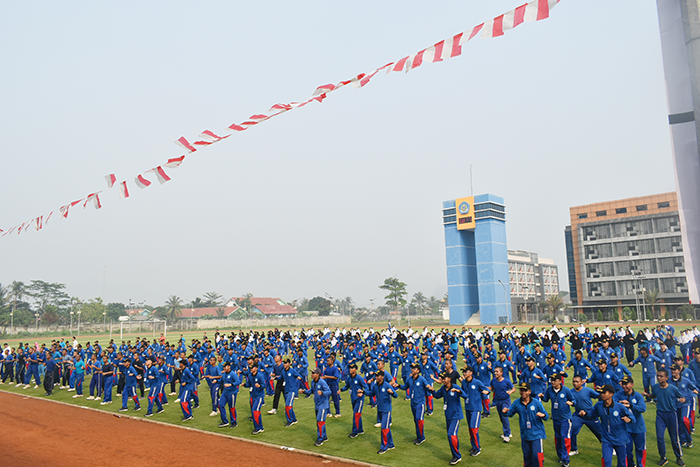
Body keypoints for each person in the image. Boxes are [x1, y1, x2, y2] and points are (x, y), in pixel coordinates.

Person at [583, 384, 636, 467]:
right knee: (606, 461)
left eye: (604, 393)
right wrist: (585, 414)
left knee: (622, 463)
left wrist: (629, 419)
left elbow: (633, 418)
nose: (602, 395)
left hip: (620, 439)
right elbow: (592, 415)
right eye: (601, 393)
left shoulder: (619, 407)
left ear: (611, 394)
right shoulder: (599, 406)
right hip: (606, 439)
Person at [503, 382, 550, 467]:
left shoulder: (536, 403)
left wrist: (543, 415)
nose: (523, 392)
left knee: (537, 457)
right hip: (525, 435)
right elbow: (510, 413)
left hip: (537, 435)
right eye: (521, 390)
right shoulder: (517, 403)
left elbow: (546, 416)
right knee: (527, 457)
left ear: (529, 392)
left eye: (525, 390)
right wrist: (505, 412)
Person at [645, 369, 685, 466]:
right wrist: (647, 395)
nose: (659, 378)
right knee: (659, 437)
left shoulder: (673, 388)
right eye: (658, 376)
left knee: (674, 438)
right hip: (660, 415)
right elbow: (654, 395)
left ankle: (679, 457)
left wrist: (682, 399)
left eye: (661, 376)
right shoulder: (655, 387)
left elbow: (681, 396)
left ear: (667, 378)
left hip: (671, 414)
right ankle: (663, 457)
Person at [432, 371, 467, 465]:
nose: (443, 380)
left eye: (444, 378)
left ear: (449, 379)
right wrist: (431, 390)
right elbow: (437, 396)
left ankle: (457, 456)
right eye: (442, 378)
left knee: (451, 434)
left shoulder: (456, 387)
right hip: (448, 415)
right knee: (451, 436)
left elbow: (465, 396)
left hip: (456, 415)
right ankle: (455, 455)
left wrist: (458, 391)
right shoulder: (443, 388)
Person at [542, 374, 575, 467]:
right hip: (555, 419)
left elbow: (573, 400)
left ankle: (566, 460)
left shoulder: (566, 390)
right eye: (551, 380)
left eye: (555, 380)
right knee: (558, 438)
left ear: (560, 381)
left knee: (565, 438)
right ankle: (560, 456)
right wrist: (541, 396)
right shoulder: (549, 389)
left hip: (565, 419)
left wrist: (571, 403)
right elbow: (546, 399)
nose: (552, 382)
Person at [613, 376, 647, 467]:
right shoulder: (619, 394)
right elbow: (612, 403)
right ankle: (631, 464)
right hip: (626, 428)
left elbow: (643, 408)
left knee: (640, 449)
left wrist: (630, 405)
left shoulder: (638, 396)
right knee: (627, 449)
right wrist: (620, 403)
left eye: (626, 384)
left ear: (632, 385)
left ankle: (641, 465)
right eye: (623, 384)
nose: (624, 386)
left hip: (639, 427)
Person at [398, 362, 433, 445]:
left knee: (419, 420)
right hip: (413, 403)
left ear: (418, 370)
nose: (412, 370)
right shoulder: (410, 379)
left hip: (420, 404)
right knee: (415, 420)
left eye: (414, 368)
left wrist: (430, 388)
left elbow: (427, 387)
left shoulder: (422, 379)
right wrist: (398, 385)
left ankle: (421, 437)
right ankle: (418, 436)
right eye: (412, 368)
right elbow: (405, 387)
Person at [460, 366, 490, 456]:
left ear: (471, 373)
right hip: (467, 408)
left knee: (474, 428)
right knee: (470, 428)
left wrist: (486, 392)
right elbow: (464, 393)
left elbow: (487, 389)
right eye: (463, 372)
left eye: (466, 371)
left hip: (476, 409)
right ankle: (473, 446)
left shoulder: (477, 382)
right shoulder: (464, 382)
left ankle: (477, 448)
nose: (464, 373)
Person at [570, 375, 602, 456]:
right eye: (574, 381)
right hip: (578, 415)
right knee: (572, 430)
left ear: (581, 382)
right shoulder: (571, 392)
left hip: (590, 415)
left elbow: (599, 396)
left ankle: (609, 447)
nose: (575, 383)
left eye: (577, 382)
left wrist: (601, 390)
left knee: (601, 433)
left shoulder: (588, 390)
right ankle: (574, 449)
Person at [366, 371, 397, 454]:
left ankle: (384, 447)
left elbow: (396, 395)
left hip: (386, 410)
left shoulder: (387, 385)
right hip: (379, 409)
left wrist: (392, 392)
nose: (376, 377)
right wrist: (363, 392)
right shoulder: (376, 385)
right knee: (386, 427)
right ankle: (390, 444)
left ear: (382, 377)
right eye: (376, 376)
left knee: (384, 428)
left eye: (378, 376)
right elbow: (371, 393)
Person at [669, 364, 698, 449]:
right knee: (678, 423)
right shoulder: (669, 381)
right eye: (672, 370)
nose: (673, 371)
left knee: (684, 420)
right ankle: (682, 440)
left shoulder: (686, 381)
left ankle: (689, 439)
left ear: (679, 371)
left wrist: (686, 398)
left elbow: (694, 389)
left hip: (685, 404)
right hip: (675, 405)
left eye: (674, 370)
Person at [304, 368, 331, 446]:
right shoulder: (313, 382)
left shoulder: (322, 382)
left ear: (318, 374)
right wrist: (305, 391)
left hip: (323, 405)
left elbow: (329, 391)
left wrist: (322, 392)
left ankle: (320, 438)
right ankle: (324, 436)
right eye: (312, 373)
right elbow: (312, 390)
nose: (312, 374)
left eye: (313, 373)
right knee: (320, 421)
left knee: (320, 422)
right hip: (317, 405)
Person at [342, 363, 368, 438]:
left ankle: (355, 432)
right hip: (353, 399)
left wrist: (362, 393)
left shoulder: (359, 378)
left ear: (356, 370)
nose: (350, 369)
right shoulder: (349, 378)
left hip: (359, 399)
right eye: (350, 368)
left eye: (352, 368)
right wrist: (341, 390)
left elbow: (366, 387)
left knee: (356, 415)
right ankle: (360, 429)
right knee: (357, 415)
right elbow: (347, 386)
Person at [490, 366, 515, 442]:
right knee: (501, 418)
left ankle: (506, 435)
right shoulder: (493, 380)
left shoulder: (506, 381)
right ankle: (508, 431)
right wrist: (485, 389)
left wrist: (510, 392)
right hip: (498, 401)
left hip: (506, 401)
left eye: (497, 372)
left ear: (501, 373)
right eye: (495, 372)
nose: (495, 373)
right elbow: (492, 388)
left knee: (504, 416)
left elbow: (513, 389)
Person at [280, 357, 303, 427]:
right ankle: (294, 419)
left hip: (292, 390)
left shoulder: (292, 371)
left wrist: (299, 377)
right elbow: (281, 378)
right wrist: (275, 377)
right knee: (289, 406)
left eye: (286, 363)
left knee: (288, 406)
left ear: (289, 364)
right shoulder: (283, 371)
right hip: (286, 390)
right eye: (284, 363)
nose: (284, 364)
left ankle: (290, 421)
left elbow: (299, 376)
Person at [245, 359, 266, 434]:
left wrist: (259, 386)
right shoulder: (250, 376)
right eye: (250, 368)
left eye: (252, 368)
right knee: (256, 411)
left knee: (255, 411)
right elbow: (249, 384)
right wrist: (244, 385)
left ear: (256, 368)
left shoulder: (260, 376)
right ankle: (259, 427)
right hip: (253, 395)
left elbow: (264, 385)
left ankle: (258, 427)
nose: (251, 369)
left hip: (259, 396)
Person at [217, 361, 241, 428]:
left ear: (229, 367)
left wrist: (230, 384)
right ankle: (225, 421)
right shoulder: (224, 374)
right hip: (225, 392)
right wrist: (215, 380)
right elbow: (221, 380)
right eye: (223, 367)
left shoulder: (233, 374)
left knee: (232, 408)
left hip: (232, 393)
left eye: (225, 366)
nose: (224, 368)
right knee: (220, 405)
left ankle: (234, 422)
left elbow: (238, 382)